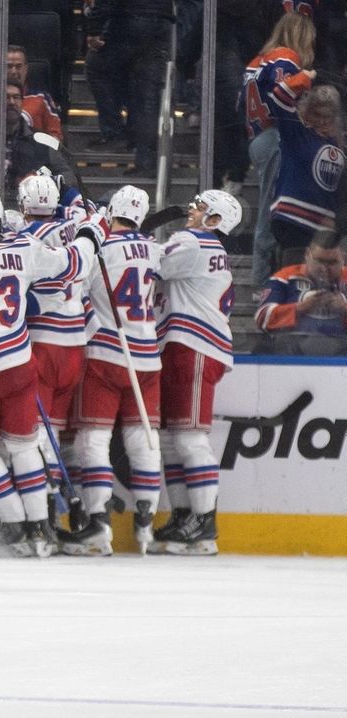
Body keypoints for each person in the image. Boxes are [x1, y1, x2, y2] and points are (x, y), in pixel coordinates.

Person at [0, 186, 92, 558]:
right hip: (18, 365)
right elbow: (74, 264)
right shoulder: (23, 247)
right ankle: (40, 529)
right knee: (25, 447)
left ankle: (14, 526)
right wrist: (89, 234)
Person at [65, 185, 165, 556]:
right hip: (148, 355)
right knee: (144, 441)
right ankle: (145, 526)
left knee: (93, 440)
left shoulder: (100, 249)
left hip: (107, 354)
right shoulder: (155, 251)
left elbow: (76, 295)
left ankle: (99, 523)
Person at [152, 190, 242, 555]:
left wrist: (131, 233)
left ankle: (204, 523)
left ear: (216, 220)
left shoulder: (194, 242)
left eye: (201, 207)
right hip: (187, 345)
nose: (191, 210)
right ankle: (185, 516)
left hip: (194, 346)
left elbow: (150, 263)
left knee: (189, 437)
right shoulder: (208, 248)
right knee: (173, 439)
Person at [16, 174, 88, 488]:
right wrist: (68, 185)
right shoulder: (76, 226)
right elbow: (83, 210)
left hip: (43, 341)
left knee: (34, 431)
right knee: (54, 428)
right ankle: (55, 491)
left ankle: (41, 504)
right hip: (77, 342)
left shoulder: (23, 236)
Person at [243, 12, 317, 287]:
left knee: (272, 208)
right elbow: (280, 95)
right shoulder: (286, 58)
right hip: (273, 138)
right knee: (269, 211)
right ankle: (261, 282)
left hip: (258, 138)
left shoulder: (256, 61)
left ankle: (267, 278)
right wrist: (305, 78)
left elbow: (244, 103)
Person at [84, 0, 174, 175]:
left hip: (129, 20)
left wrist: (94, 29)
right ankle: (145, 160)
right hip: (161, 22)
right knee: (146, 94)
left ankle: (114, 132)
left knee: (96, 66)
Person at [0, 81, 78, 205]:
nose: (12, 102)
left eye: (16, 97)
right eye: (6, 97)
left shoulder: (41, 139)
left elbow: (69, 177)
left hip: (32, 208)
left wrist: (41, 183)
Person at [270, 83, 342, 254]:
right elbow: (279, 96)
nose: (323, 121)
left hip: (326, 229)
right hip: (293, 221)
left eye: (328, 116)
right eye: (318, 115)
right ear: (308, 112)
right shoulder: (296, 133)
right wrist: (305, 78)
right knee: (294, 277)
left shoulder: (339, 144)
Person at [255, 234, 347, 351]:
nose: (324, 268)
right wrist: (299, 309)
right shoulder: (285, 277)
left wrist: (344, 309)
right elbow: (262, 316)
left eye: (332, 262)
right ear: (307, 255)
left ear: (343, 259)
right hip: (293, 348)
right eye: (319, 261)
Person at [0, 45, 63, 141]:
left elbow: (55, 137)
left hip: (32, 156)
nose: (14, 71)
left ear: (26, 69)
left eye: (18, 66)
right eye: (9, 66)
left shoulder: (42, 99)